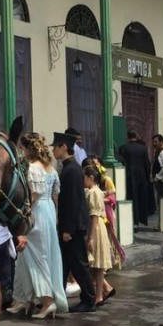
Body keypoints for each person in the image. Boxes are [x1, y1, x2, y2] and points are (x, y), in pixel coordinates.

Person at [6, 134, 68, 319]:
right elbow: (55, 196)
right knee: (32, 256)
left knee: (35, 256)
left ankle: (47, 301)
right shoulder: (51, 168)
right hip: (48, 211)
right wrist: (55, 217)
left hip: (36, 212)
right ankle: (24, 299)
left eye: (22, 148)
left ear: (27, 149)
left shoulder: (32, 168)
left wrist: (21, 214)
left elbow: (32, 195)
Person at [52, 130, 97, 312]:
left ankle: (89, 298)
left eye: (56, 147)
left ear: (63, 147)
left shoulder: (71, 170)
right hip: (71, 225)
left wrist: (68, 229)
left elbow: (72, 202)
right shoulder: (71, 168)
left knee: (79, 264)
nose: (54, 151)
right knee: (67, 263)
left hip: (73, 226)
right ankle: (61, 295)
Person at [84, 165, 117, 306]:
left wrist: (90, 237)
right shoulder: (96, 191)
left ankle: (98, 295)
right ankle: (101, 292)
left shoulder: (93, 193)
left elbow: (95, 215)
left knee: (96, 264)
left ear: (90, 178)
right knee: (96, 265)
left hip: (95, 228)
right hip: (98, 227)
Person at [86, 155, 126, 266]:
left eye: (95, 163)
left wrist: (100, 199)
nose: (94, 166)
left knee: (108, 237)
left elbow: (113, 197)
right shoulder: (88, 183)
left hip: (105, 213)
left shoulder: (106, 180)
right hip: (97, 212)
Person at [117, 130, 154, 226]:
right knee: (141, 197)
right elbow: (147, 164)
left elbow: (122, 162)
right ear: (136, 136)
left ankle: (133, 220)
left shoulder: (123, 148)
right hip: (141, 176)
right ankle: (142, 219)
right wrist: (146, 177)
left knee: (131, 197)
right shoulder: (142, 148)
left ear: (127, 136)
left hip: (129, 176)